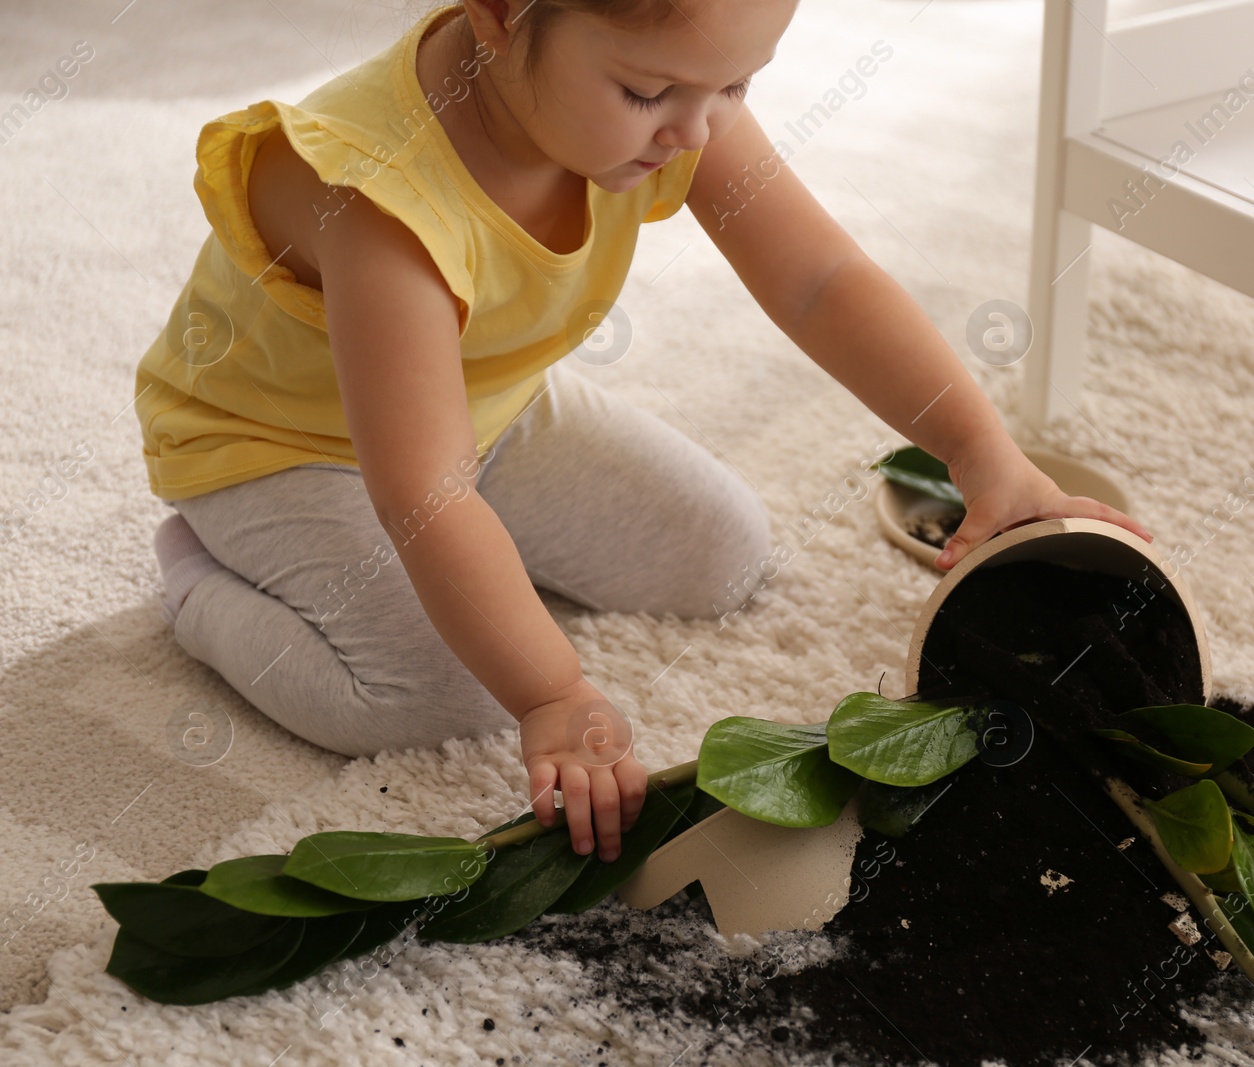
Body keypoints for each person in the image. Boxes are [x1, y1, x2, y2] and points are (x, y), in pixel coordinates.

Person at [133, 0, 1152, 869]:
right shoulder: (381, 194)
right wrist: (553, 691)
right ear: (498, 14)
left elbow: (819, 280)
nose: (696, 135)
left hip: (491, 407)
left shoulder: (669, 93)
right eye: (649, 95)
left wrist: (986, 456)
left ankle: (471, 567)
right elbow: (425, 494)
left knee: (719, 552)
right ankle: (196, 574)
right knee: (434, 694)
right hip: (277, 448)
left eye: (738, 88)